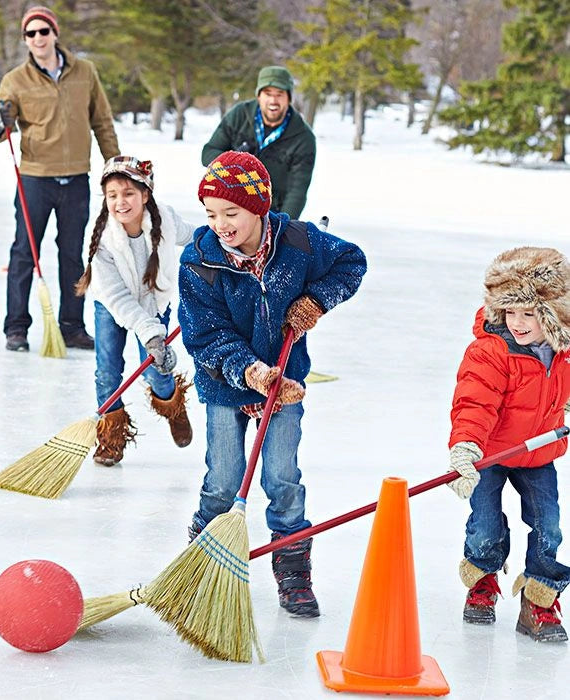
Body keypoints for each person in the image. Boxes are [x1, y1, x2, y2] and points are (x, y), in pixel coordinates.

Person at [178, 150, 367, 617]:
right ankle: (201, 564)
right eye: (211, 214)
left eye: (232, 213)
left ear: (259, 207)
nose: (221, 224)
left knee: (283, 477)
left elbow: (352, 263)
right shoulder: (199, 260)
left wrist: (317, 300)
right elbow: (204, 335)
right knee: (223, 479)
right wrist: (249, 372)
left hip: (285, 384)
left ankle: (293, 570)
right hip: (226, 384)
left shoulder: (299, 242)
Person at [447, 246, 570, 642]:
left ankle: (538, 597)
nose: (516, 322)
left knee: (547, 527)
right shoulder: (491, 350)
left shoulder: (565, 351)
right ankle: (482, 580)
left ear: (552, 313)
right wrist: (466, 447)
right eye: (509, 311)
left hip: (538, 454)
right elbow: (474, 401)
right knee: (484, 525)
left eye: (528, 313)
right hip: (491, 453)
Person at [0, 5, 120, 352]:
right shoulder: (15, 80)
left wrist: (114, 167)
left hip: (75, 177)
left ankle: (72, 326)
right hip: (35, 178)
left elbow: (102, 122)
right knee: (23, 254)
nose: (38, 39)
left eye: (43, 31)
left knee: (73, 254)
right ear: (25, 40)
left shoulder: (84, 72)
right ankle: (16, 328)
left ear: (55, 34)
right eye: (31, 34)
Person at [75, 156, 195, 466]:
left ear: (145, 193)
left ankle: (173, 406)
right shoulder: (100, 238)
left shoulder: (164, 220)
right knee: (107, 372)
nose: (120, 202)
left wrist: (232, 239)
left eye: (128, 193)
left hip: (154, 303)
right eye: (112, 195)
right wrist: (151, 334)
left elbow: (196, 237)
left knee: (157, 371)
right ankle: (110, 438)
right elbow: (117, 297)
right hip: (111, 305)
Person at [201, 66, 316, 220]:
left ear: (288, 98)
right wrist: (234, 162)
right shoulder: (239, 115)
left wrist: (282, 227)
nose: (273, 100)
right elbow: (208, 153)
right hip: (230, 208)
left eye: (279, 94)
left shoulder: (303, 138)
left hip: (271, 214)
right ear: (259, 96)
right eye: (268, 94)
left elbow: (297, 191)